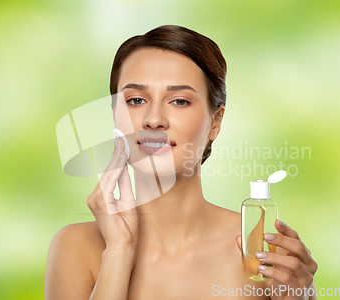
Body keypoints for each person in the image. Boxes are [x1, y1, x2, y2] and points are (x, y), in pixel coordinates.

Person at [45, 25, 318, 300]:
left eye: (178, 101)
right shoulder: (76, 247)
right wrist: (119, 250)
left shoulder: (263, 253)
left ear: (216, 121)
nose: (154, 119)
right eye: (136, 100)